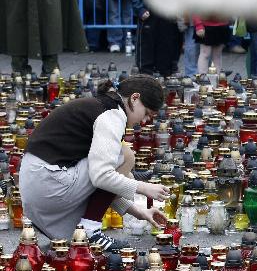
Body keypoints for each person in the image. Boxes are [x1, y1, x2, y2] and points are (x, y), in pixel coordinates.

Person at [19, 75, 171, 250]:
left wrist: (139, 212)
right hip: (48, 187)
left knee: (120, 168)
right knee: (125, 157)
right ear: (135, 98)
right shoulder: (112, 115)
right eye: (146, 114)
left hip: (39, 187)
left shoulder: (102, 106)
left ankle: (88, 228)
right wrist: (144, 188)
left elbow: (102, 183)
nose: (144, 122)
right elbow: (101, 177)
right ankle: (90, 231)